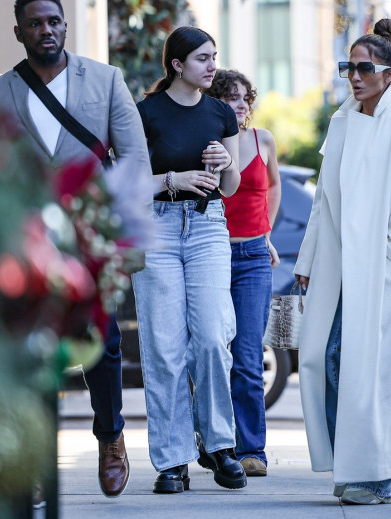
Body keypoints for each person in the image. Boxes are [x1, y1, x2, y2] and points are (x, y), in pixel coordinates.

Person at [0, 0, 152, 499]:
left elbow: (135, 160)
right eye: (35, 23)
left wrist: (121, 232)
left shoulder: (106, 80)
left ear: (65, 25)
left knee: (103, 342)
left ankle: (110, 436)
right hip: (24, 239)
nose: (46, 30)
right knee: (29, 345)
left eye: (54, 21)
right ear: (18, 31)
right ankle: (30, 453)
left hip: (91, 233)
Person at [293, 18, 391, 505]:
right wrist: (308, 257)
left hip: (377, 266)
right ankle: (350, 460)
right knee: (320, 356)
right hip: (334, 260)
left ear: (389, 74)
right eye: (348, 65)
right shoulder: (341, 120)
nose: (354, 74)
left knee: (368, 368)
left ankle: (374, 475)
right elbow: (322, 201)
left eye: (364, 67)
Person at [133, 26, 245, 494]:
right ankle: (172, 459)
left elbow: (233, 186)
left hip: (207, 228)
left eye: (214, 56)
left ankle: (218, 445)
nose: (211, 65)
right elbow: (127, 183)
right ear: (177, 65)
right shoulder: (145, 113)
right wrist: (172, 179)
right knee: (163, 346)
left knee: (213, 337)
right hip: (156, 228)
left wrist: (226, 162)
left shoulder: (221, 113)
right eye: (202, 58)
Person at [204, 69, 280, 477]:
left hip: (252, 257)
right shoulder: (206, 140)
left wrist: (266, 233)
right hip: (211, 254)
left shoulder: (262, 140)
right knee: (213, 350)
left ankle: (252, 449)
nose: (241, 104)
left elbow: (272, 188)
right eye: (232, 97)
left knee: (248, 354)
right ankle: (215, 443)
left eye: (245, 98)